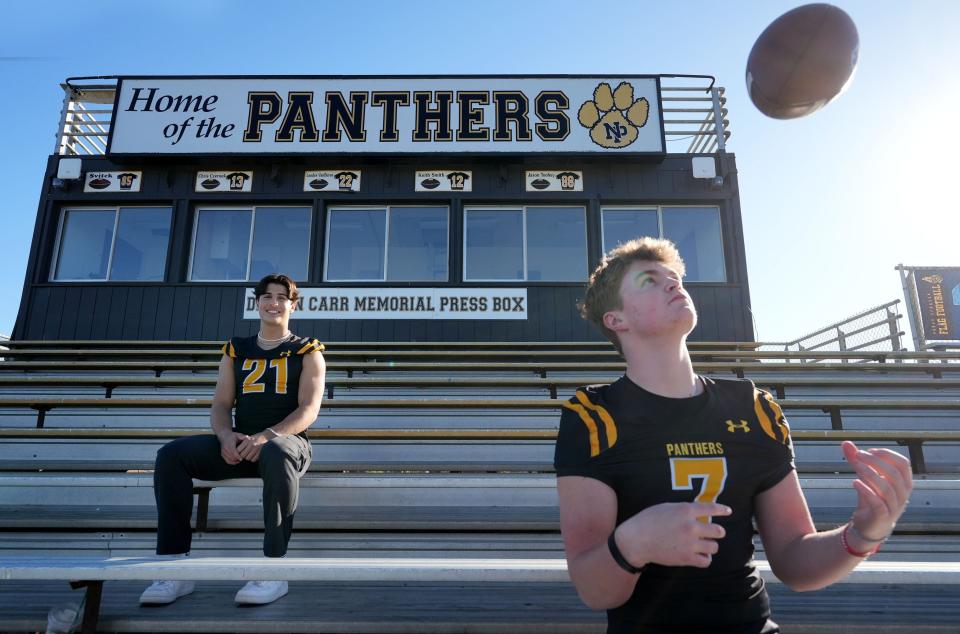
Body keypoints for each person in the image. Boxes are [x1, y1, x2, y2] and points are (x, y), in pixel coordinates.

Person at [554, 238, 913, 633]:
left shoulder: (752, 406)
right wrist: (632, 544)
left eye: (674, 277)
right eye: (649, 281)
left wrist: (861, 535)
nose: (673, 284)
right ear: (616, 319)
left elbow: (794, 561)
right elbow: (595, 590)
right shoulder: (594, 416)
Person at [140, 274, 326, 606]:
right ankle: (173, 567)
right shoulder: (236, 349)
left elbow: (309, 409)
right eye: (266, 296)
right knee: (171, 456)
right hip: (240, 443)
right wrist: (225, 436)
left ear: (293, 305)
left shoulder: (307, 350)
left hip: (287, 443)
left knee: (279, 451)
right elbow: (222, 404)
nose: (274, 303)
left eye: (282, 297)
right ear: (257, 303)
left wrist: (266, 436)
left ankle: (273, 568)